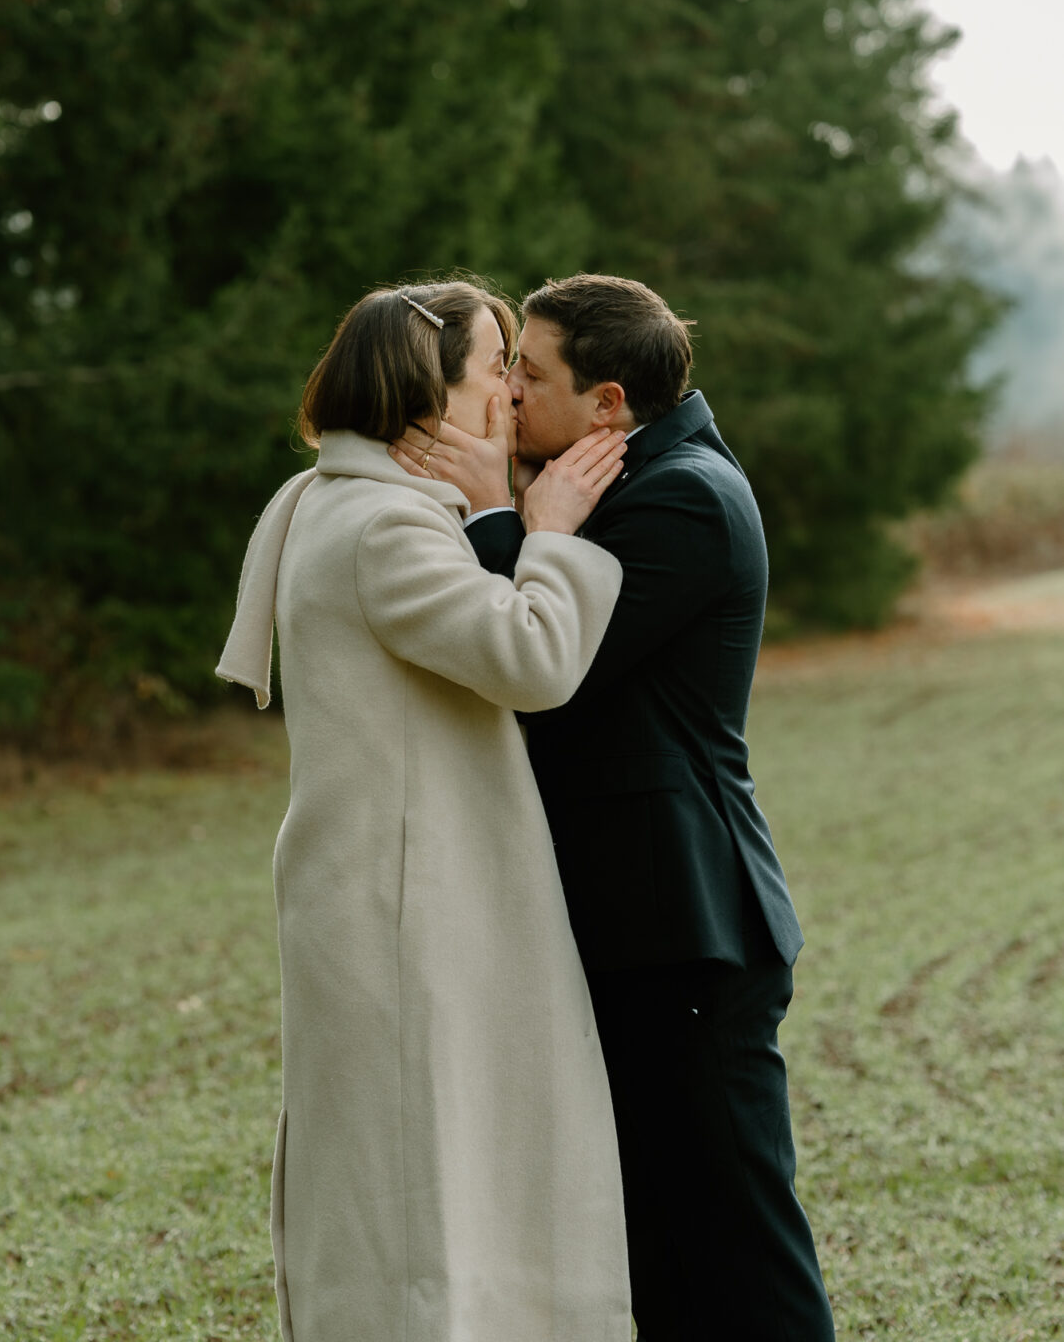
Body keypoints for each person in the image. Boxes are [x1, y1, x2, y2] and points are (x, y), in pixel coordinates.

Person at [391, 272, 836, 1342]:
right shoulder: (635, 479)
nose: (503, 396)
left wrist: (505, 518)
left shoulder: (683, 497)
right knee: (663, 1250)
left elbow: (548, 668)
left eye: (525, 375)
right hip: (641, 924)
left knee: (736, 1250)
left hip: (687, 928)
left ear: (606, 405)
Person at [216, 277, 634, 1342]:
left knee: (430, 1172)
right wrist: (547, 528)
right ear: (428, 398)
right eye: (494, 367)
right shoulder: (384, 528)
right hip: (405, 910)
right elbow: (533, 658)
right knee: (416, 1190)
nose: (507, 389)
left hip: (396, 894)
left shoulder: (337, 501)